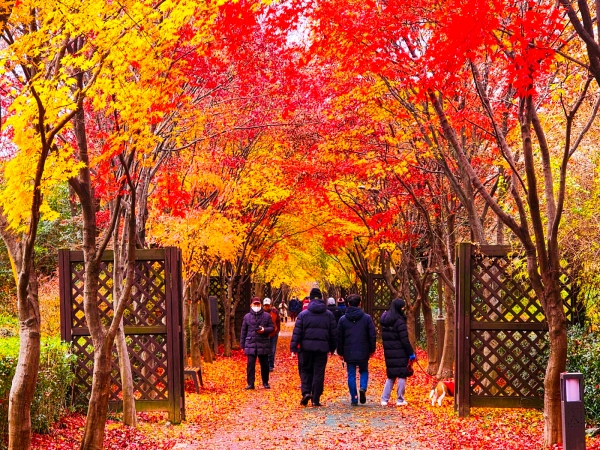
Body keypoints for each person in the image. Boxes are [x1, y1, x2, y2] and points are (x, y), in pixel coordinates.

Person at [290, 287, 337, 407]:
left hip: (305, 348)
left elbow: (297, 332)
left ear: (310, 299)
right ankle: (315, 398)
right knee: (319, 372)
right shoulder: (329, 315)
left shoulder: (303, 314)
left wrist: (294, 348)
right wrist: (332, 348)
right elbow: (333, 333)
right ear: (321, 298)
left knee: (305, 369)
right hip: (322, 348)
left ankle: (306, 392)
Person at [337, 294, 376, 406]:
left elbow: (340, 337)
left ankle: (354, 397)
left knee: (351, 374)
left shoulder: (343, 320)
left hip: (348, 351)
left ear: (348, 304)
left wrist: (340, 352)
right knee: (363, 370)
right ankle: (363, 387)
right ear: (360, 304)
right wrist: (372, 349)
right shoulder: (367, 318)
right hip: (363, 350)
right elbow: (372, 335)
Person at [380, 298, 415, 406]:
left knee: (391, 376)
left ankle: (384, 399)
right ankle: (400, 399)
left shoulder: (385, 321)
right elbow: (404, 340)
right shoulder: (399, 322)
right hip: (400, 352)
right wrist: (411, 353)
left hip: (389, 353)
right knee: (401, 375)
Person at [240, 297, 274, 390]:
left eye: (258, 304)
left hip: (263, 343)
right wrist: (242, 345)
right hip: (250, 343)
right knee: (250, 365)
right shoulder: (247, 317)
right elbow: (243, 331)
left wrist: (264, 330)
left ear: (261, 305)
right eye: (255, 304)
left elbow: (272, 328)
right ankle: (250, 383)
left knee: (265, 364)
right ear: (251, 305)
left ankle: (265, 382)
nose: (256, 306)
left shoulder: (267, 316)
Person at [263, 297, 281, 372]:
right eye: (265, 305)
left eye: (268, 305)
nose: (267, 306)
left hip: (274, 333)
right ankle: (265, 364)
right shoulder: (261, 313)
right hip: (264, 334)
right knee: (265, 350)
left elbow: (278, 321)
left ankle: (271, 365)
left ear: (270, 305)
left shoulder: (274, 312)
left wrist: (277, 330)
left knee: (272, 350)